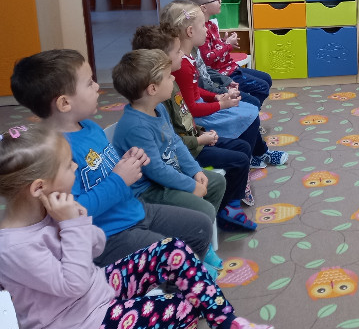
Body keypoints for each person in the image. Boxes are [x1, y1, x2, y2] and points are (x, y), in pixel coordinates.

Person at [0, 125, 274, 329]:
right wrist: (71, 226)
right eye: (67, 165)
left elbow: (95, 247)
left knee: (172, 249)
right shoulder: (14, 247)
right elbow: (74, 284)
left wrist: (78, 221)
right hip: (77, 325)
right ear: (38, 187)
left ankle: (227, 324)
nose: (74, 166)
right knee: (183, 310)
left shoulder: (51, 208)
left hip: (95, 291)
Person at [10, 49, 214, 266]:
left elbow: (105, 167)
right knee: (172, 256)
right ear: (64, 103)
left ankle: (184, 274)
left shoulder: (89, 127)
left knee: (200, 226)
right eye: (89, 83)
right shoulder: (54, 151)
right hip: (108, 234)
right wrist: (119, 178)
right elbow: (73, 210)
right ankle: (180, 278)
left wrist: (128, 160)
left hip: (133, 210)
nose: (97, 86)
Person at [132, 24, 258, 229]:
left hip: (193, 141)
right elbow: (172, 139)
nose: (182, 54)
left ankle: (230, 203)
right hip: (191, 148)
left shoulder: (169, 84)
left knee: (242, 148)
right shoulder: (160, 97)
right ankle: (228, 209)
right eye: (177, 51)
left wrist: (201, 132)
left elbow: (184, 118)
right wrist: (199, 139)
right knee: (239, 159)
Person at [161, 0, 287, 167]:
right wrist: (221, 104)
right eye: (203, 26)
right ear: (190, 31)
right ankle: (251, 157)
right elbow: (191, 107)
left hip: (203, 105)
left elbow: (194, 89)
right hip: (197, 117)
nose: (206, 29)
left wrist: (216, 97)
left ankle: (256, 153)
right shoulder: (182, 65)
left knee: (250, 110)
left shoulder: (188, 56)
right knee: (249, 113)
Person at [111, 49, 226, 226]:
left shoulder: (159, 108)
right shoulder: (136, 127)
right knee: (205, 210)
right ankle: (193, 235)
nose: (173, 78)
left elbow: (175, 142)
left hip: (169, 176)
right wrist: (191, 186)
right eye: (168, 76)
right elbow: (156, 170)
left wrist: (195, 171)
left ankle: (197, 230)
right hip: (149, 190)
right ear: (153, 89)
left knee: (216, 182)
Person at [185, 0, 272, 106]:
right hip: (222, 73)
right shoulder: (201, 31)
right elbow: (207, 59)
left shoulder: (211, 25)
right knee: (262, 87)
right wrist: (226, 45)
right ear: (203, 7)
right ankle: (248, 108)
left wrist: (224, 43)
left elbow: (213, 48)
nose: (220, 1)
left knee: (266, 79)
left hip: (229, 67)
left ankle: (249, 106)